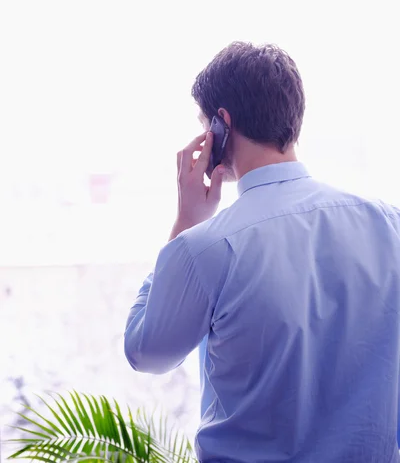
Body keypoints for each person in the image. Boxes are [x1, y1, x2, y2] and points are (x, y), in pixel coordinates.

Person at [124, 42, 400, 463]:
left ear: (222, 125)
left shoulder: (205, 247)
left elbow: (147, 353)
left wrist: (185, 223)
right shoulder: (390, 223)